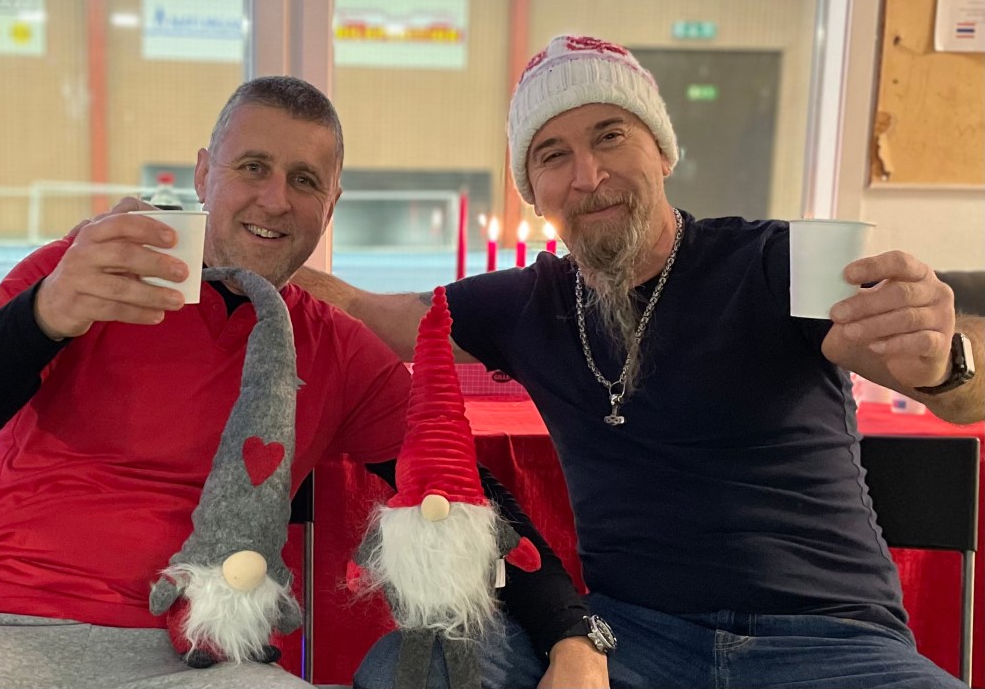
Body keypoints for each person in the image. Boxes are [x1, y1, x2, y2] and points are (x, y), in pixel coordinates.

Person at [293, 35, 985, 689]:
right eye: (553, 154)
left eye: (610, 137)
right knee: (413, 666)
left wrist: (942, 360)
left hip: (831, 644)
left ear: (662, 152)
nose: (589, 176)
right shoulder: (527, 304)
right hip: (632, 639)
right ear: (534, 191)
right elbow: (361, 312)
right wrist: (246, 261)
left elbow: (960, 394)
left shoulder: (775, 263)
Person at [0, 77, 590, 689]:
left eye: (305, 180)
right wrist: (43, 315)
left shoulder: (338, 349)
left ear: (331, 206)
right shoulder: (83, 273)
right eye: (253, 167)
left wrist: (570, 634)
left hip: (206, 659)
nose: (275, 199)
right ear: (204, 173)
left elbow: (464, 496)